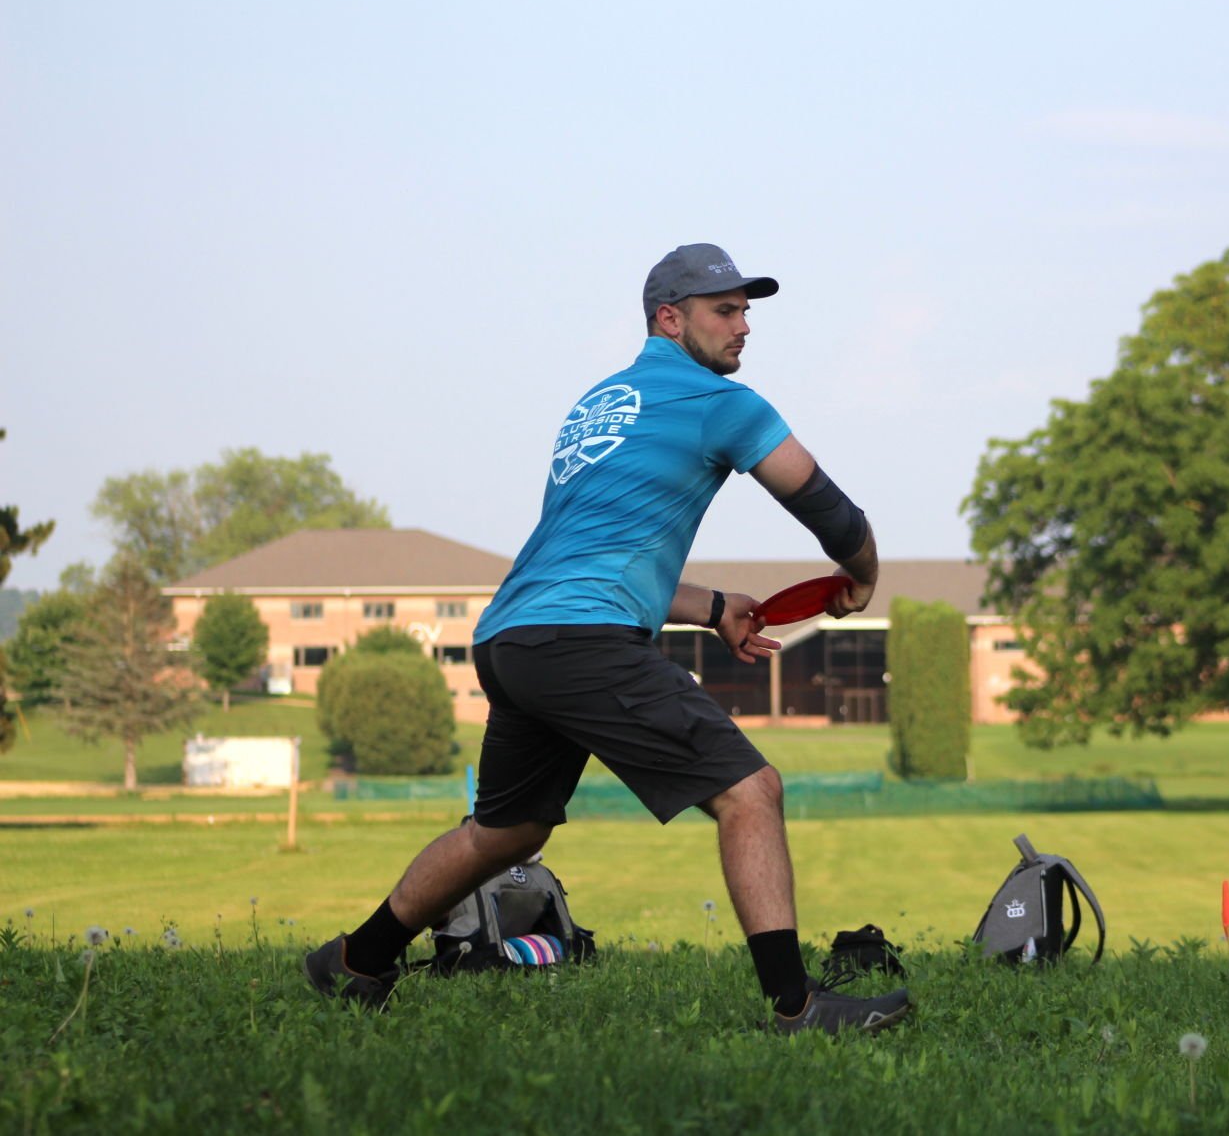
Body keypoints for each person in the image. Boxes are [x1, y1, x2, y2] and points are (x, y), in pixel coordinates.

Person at [304, 243, 910, 1035]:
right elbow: (827, 508)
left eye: (746, 309)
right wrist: (862, 572)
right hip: (579, 639)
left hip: (514, 636)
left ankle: (354, 960)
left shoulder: (599, 404)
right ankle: (797, 1006)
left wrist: (715, 604)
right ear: (670, 317)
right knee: (750, 792)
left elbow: (598, 556)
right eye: (724, 309)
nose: (743, 325)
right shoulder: (724, 404)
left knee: (508, 829)